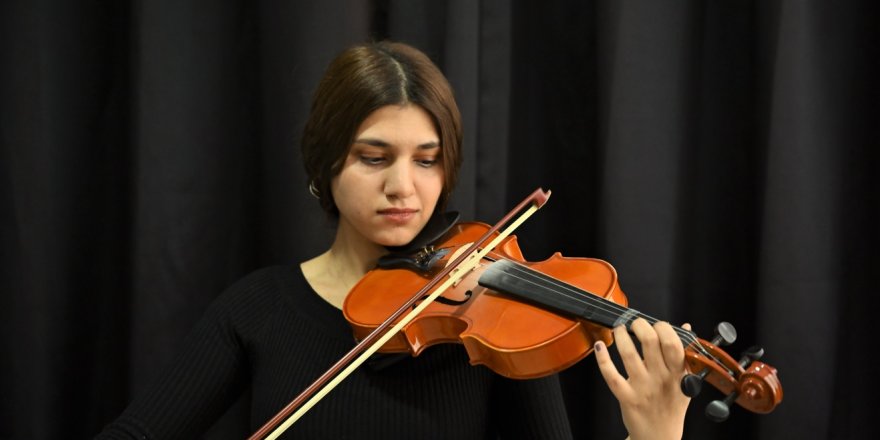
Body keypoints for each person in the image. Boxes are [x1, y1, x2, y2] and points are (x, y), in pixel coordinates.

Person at [96, 41, 690, 440]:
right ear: (324, 165)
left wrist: (653, 436)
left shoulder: (502, 325)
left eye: (427, 161)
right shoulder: (257, 309)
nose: (402, 187)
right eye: (373, 157)